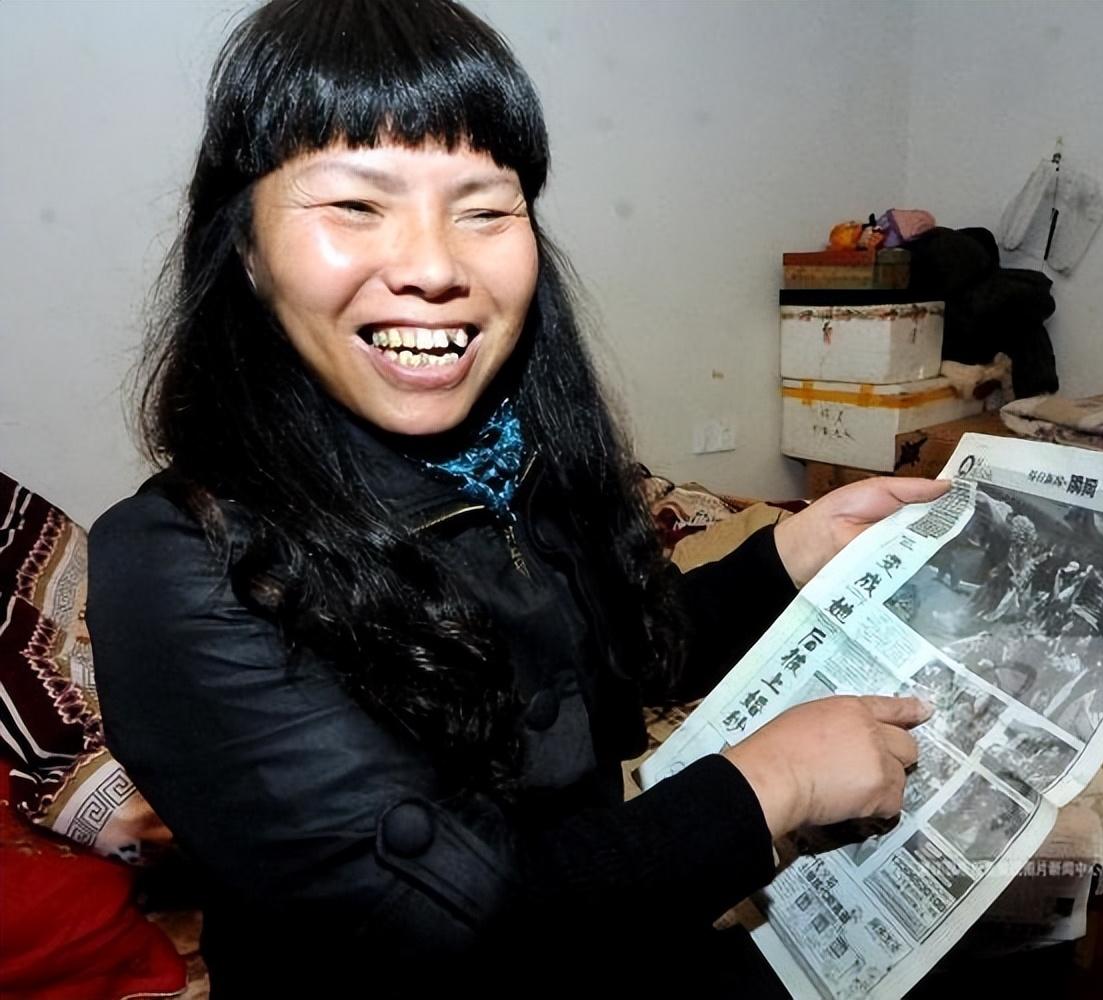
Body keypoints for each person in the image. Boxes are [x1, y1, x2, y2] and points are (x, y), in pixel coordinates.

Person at [85, 1, 948, 995]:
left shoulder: (518, 456)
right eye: (356, 204)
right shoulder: (178, 562)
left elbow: (615, 664)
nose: (433, 268)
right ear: (244, 247)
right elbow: (437, 928)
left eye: (484, 209)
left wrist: (790, 555)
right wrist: (773, 783)